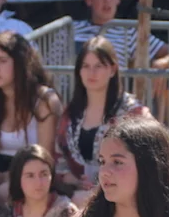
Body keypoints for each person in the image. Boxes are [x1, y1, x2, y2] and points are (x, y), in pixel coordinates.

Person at [55, 37, 149, 208]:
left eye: (98, 66)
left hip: (122, 198)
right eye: (86, 66)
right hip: (74, 196)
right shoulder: (70, 113)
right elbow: (58, 158)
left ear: (112, 70)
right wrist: (73, 180)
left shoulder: (133, 113)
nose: (92, 73)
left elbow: (145, 161)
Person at [0, 31, 61, 196]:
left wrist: (4, 178)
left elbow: (45, 159)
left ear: (20, 63)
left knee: (4, 192)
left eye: (2, 61)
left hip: (34, 176)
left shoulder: (44, 101)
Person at [72, 0, 169, 73]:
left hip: (111, 88)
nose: (107, 1)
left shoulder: (128, 32)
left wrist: (161, 64)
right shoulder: (70, 29)